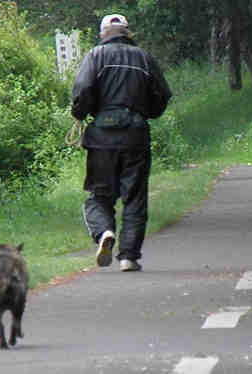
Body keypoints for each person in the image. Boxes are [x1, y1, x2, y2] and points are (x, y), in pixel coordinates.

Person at [71, 14, 172, 272]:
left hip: (102, 137)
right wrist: (146, 113)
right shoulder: (144, 58)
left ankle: (104, 232)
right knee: (135, 198)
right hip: (136, 136)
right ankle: (128, 257)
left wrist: (81, 113)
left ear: (103, 33)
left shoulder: (95, 56)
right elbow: (162, 95)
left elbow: (82, 88)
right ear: (127, 32)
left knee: (99, 196)